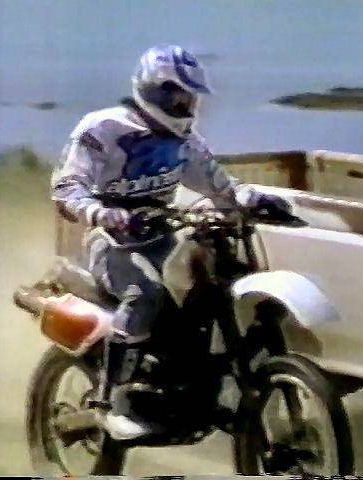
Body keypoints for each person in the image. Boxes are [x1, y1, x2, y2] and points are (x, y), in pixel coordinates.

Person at [51, 45, 289, 440]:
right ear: (154, 90)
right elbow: (67, 187)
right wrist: (100, 212)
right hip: (108, 240)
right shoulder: (104, 129)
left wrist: (255, 200)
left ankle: (192, 383)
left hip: (160, 236)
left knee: (208, 284)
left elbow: (220, 187)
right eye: (179, 97)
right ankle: (114, 402)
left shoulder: (184, 142)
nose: (186, 106)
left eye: (191, 99)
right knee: (145, 293)